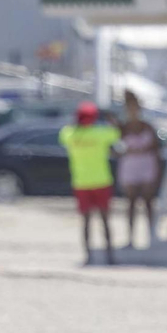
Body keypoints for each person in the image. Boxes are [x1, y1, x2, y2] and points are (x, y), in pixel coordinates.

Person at [59, 102, 121, 264]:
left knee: (86, 222)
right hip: (101, 180)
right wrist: (110, 118)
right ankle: (110, 255)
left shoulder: (69, 134)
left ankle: (88, 256)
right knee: (105, 221)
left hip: (81, 182)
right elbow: (117, 132)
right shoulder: (101, 133)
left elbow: (64, 134)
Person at [117, 91, 161, 249]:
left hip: (146, 166)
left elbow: (157, 150)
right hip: (130, 166)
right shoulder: (122, 128)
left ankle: (151, 237)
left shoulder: (148, 127)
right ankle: (130, 238)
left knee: (149, 202)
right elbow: (115, 149)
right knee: (131, 203)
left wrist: (157, 172)